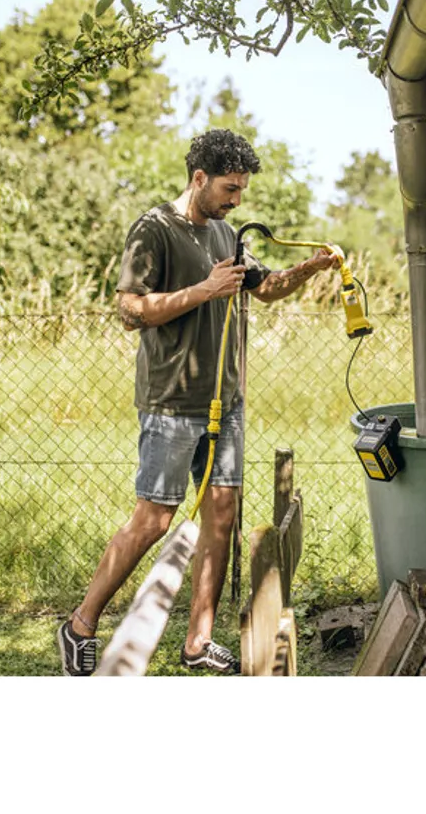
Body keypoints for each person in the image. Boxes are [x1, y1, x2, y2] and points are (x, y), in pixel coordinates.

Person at [57, 128, 340, 676]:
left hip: (224, 403)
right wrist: (203, 291)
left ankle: (197, 642)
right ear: (200, 178)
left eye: (242, 190)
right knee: (153, 521)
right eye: (230, 189)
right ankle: (80, 626)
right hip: (172, 401)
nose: (237, 200)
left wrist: (312, 267)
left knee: (221, 517)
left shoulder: (226, 234)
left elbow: (266, 287)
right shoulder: (155, 229)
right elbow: (130, 310)